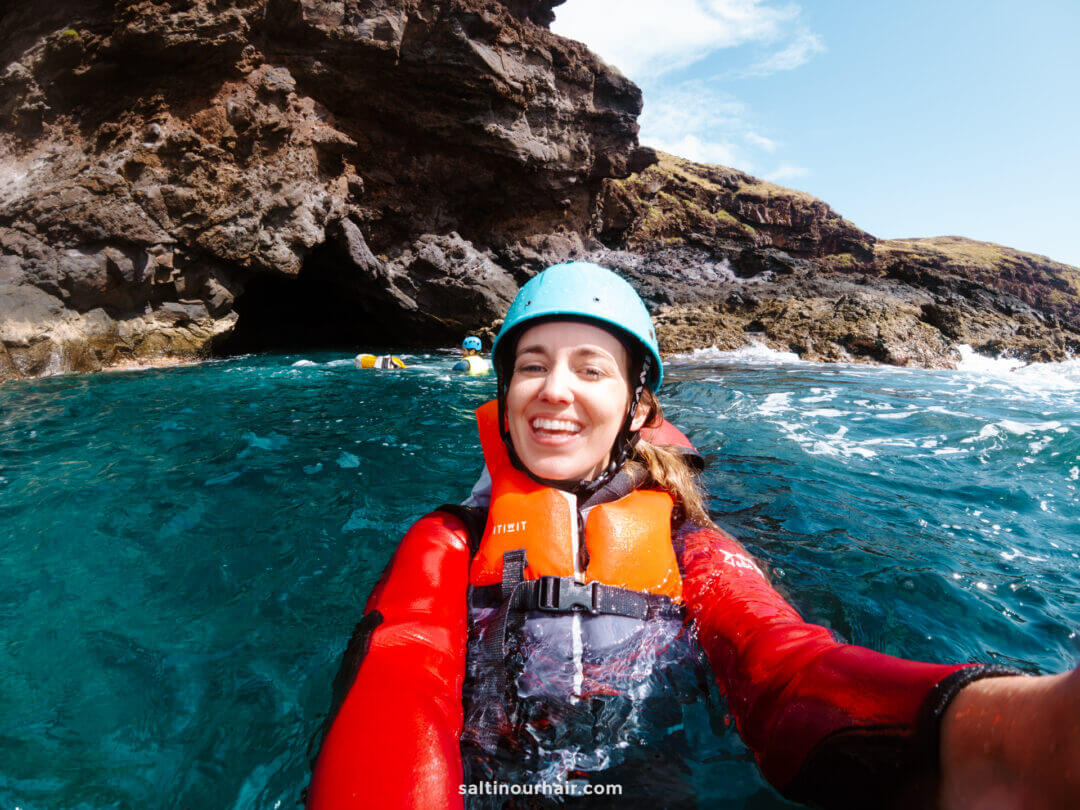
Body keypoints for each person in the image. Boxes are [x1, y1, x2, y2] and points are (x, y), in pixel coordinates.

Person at [310, 263, 1080, 810]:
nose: (554, 389)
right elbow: (402, 673)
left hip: (645, 783)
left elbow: (779, 661)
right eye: (532, 367)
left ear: (638, 410)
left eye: (591, 369)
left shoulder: (690, 544)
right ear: (505, 396)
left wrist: (996, 739)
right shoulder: (447, 539)